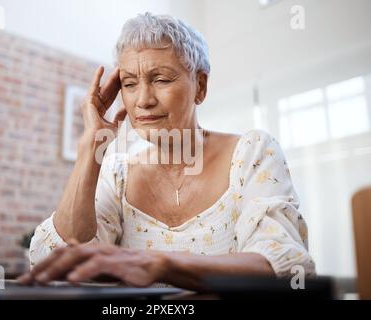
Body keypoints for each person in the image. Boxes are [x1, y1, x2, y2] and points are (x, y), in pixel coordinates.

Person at [18, 12, 315, 290]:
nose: (143, 100)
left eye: (161, 79)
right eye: (129, 84)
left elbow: (283, 267)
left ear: (200, 86)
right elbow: (55, 258)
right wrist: (90, 148)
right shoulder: (118, 171)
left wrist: (160, 264)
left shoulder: (252, 153)